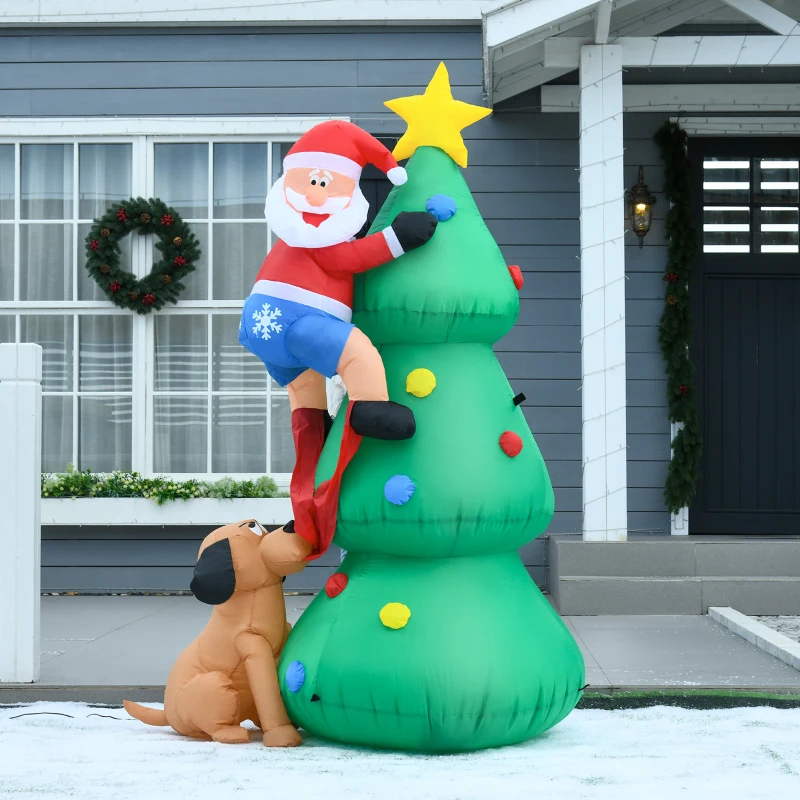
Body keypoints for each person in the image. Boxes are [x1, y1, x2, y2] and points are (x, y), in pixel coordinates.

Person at [240, 120, 437, 555]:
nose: (313, 194)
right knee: (356, 352)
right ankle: (370, 408)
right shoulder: (318, 233)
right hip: (298, 319)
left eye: (322, 183)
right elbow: (350, 257)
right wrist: (397, 238)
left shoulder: (290, 235)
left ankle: (312, 429)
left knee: (303, 387)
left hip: (261, 323)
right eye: (309, 182)